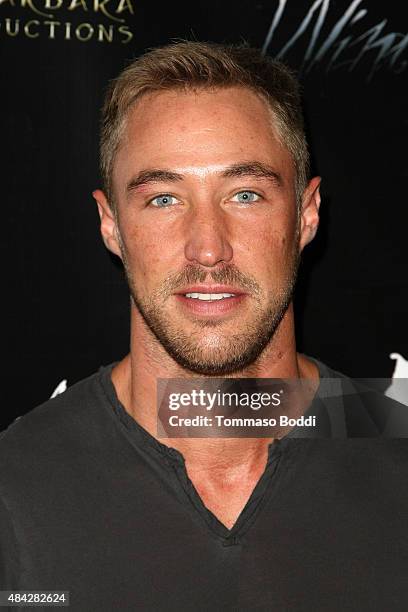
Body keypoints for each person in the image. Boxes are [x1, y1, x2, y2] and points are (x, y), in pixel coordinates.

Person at [1, 41, 408, 611]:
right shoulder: (15, 484)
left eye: (245, 194)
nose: (209, 248)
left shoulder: (395, 449)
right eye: (164, 198)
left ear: (306, 214)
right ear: (111, 225)